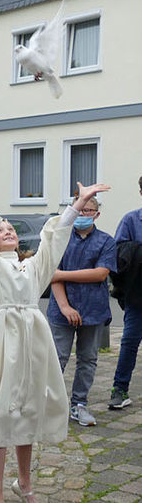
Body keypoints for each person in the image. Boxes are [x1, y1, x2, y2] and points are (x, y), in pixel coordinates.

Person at [0, 170, 109, 503]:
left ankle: (26, 484)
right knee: (0, 416)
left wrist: (77, 204)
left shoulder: (31, 266)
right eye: (1, 228)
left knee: (27, 414)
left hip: (32, 342)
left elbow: (55, 239)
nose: (7, 231)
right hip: (1, 346)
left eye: (11, 229)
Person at [46, 196, 117, 426]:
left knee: (88, 359)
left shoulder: (106, 241)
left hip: (93, 311)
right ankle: (49, 405)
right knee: (57, 358)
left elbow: (100, 274)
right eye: (81, 210)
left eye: (89, 210)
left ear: (96, 214)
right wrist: (65, 306)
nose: (84, 214)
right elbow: (51, 275)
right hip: (61, 310)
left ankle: (79, 405)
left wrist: (62, 275)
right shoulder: (60, 239)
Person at [109, 175, 142, 410]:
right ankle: (119, 389)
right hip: (137, 296)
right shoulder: (131, 220)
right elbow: (119, 256)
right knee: (129, 341)